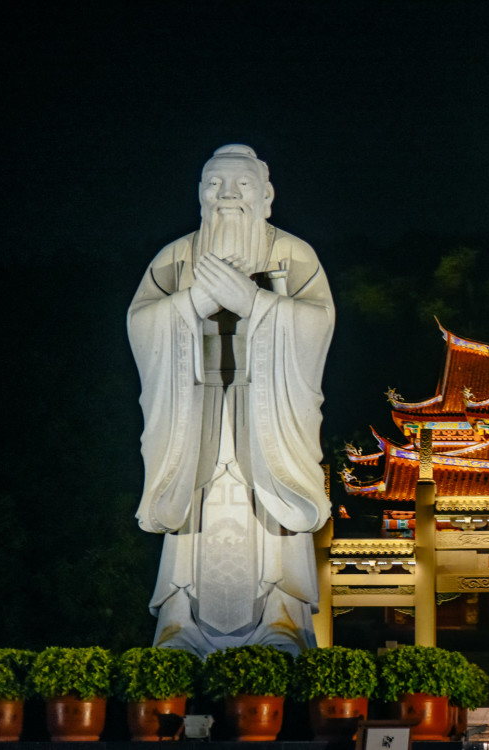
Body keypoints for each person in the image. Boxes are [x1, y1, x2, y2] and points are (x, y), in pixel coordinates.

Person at [128, 145, 334, 656]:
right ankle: (180, 620)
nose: (226, 197)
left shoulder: (294, 254)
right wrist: (193, 303)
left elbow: (318, 324)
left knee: (272, 513)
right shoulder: (175, 257)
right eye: (213, 185)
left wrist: (255, 305)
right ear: (199, 195)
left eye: (240, 186)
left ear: (265, 196)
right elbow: (141, 324)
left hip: (266, 412)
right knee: (194, 508)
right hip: (195, 412)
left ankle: (281, 615)